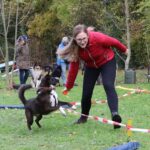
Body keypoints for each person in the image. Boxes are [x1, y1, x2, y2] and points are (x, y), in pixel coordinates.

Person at [57, 24, 128, 129]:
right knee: (86, 93)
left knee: (108, 85)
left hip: (107, 61)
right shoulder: (76, 48)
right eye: (79, 39)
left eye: (84, 38)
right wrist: (68, 86)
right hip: (91, 66)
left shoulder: (98, 38)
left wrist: (125, 50)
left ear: (88, 35)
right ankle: (83, 117)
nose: (82, 42)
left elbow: (114, 42)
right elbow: (73, 69)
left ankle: (115, 115)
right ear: (75, 39)